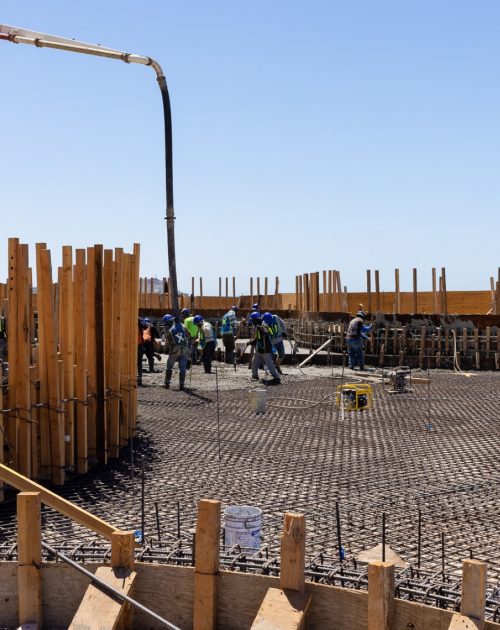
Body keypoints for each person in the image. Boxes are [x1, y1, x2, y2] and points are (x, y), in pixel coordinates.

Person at [247, 311, 281, 385]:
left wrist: (261, 329)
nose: (252, 322)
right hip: (259, 348)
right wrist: (250, 342)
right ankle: (255, 375)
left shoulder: (263, 325)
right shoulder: (256, 327)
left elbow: (267, 333)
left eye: (253, 320)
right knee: (254, 363)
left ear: (256, 319)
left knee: (269, 364)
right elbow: (257, 338)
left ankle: (276, 377)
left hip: (265, 349)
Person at [162, 314, 190, 390]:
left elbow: (168, 341)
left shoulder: (170, 329)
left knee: (169, 366)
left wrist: (165, 349)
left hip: (175, 350)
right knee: (183, 368)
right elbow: (188, 335)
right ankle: (181, 385)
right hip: (184, 348)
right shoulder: (183, 326)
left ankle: (167, 383)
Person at [137, 318, 147, 386]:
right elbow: (146, 337)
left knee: (135, 363)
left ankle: (136, 379)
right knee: (139, 363)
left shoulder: (132, 327)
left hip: (136, 346)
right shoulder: (142, 327)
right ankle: (139, 380)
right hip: (140, 346)